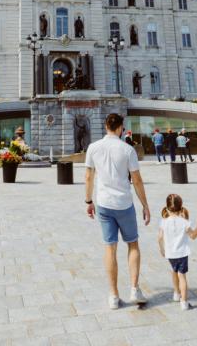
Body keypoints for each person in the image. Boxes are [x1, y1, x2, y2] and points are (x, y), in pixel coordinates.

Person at [85, 113, 152, 309]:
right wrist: (145, 205)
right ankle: (134, 288)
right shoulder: (127, 149)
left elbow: (88, 177)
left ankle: (113, 295)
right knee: (132, 244)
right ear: (121, 128)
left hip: (104, 203)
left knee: (110, 247)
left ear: (106, 126)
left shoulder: (93, 148)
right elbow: (137, 180)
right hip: (124, 203)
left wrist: (89, 201)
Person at [157, 193, 197, 310]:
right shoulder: (184, 222)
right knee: (182, 276)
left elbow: (160, 237)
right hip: (182, 253)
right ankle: (184, 302)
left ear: (167, 208)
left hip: (170, 254)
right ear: (181, 208)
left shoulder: (164, 222)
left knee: (174, 271)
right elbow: (193, 236)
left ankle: (176, 293)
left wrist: (162, 249)